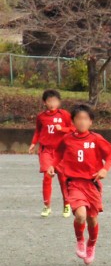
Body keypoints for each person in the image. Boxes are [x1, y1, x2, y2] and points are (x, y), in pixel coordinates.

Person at [48, 104, 111, 266]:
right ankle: (80, 240)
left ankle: (91, 244)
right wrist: (52, 165)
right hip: (74, 183)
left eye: (85, 119)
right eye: (78, 119)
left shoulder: (96, 139)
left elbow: (110, 156)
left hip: (92, 184)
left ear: (91, 122)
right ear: (72, 121)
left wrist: (104, 170)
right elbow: (58, 153)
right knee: (80, 215)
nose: (82, 122)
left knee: (92, 220)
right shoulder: (67, 139)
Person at [29, 89, 72, 218]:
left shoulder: (64, 115)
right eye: (49, 101)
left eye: (54, 101)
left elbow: (73, 128)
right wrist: (33, 143)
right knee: (47, 176)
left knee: (63, 178)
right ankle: (47, 206)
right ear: (44, 102)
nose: (52, 103)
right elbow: (38, 131)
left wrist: (62, 129)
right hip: (46, 150)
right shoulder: (41, 117)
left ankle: (67, 204)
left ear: (59, 102)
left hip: (61, 151)